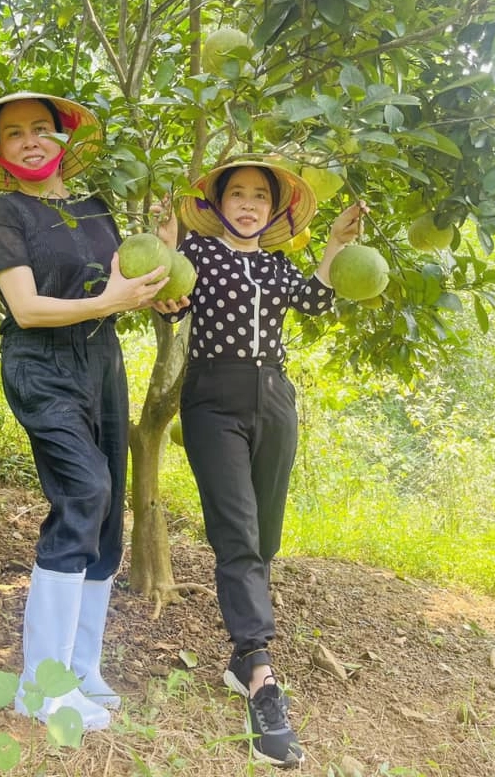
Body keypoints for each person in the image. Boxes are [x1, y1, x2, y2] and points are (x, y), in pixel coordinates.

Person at [0, 91, 170, 731]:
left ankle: (81, 668)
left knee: (106, 511)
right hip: (41, 362)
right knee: (84, 492)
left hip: (100, 362)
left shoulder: (92, 205)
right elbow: (26, 308)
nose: (30, 141)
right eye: (14, 133)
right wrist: (111, 302)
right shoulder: (7, 211)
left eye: (41, 129)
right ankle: (40, 686)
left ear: (61, 139)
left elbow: (122, 281)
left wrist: (162, 252)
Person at [153, 155, 366, 768]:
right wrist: (167, 254)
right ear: (218, 203)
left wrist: (333, 246)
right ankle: (262, 677)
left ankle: (241, 657)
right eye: (238, 193)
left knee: (264, 534)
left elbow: (317, 301)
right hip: (213, 399)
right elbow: (170, 303)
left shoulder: (276, 264)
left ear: (273, 212)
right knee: (238, 534)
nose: (248, 204)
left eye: (260, 198)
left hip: (274, 400)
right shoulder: (199, 256)